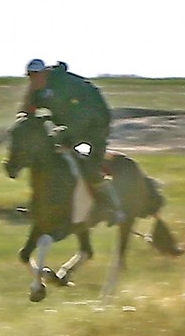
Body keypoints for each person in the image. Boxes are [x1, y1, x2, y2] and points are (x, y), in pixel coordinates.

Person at [20, 59, 120, 224]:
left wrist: (62, 136)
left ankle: (111, 208)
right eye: (30, 76)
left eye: (36, 75)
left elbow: (79, 118)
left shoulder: (65, 85)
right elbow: (27, 112)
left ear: (45, 73)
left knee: (91, 169)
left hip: (95, 125)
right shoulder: (37, 89)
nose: (33, 79)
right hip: (69, 126)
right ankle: (38, 205)